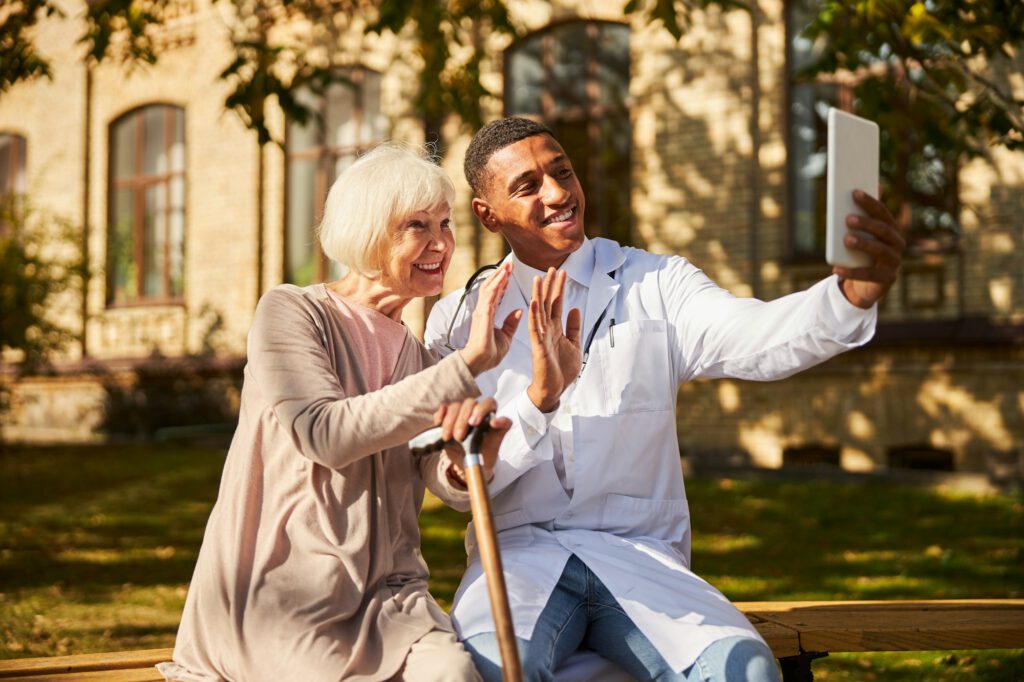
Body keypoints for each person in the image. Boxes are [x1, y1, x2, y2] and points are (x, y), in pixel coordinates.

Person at [424, 117, 906, 682]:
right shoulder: (459, 322)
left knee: (748, 672)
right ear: (488, 214)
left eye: (562, 172)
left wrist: (848, 297)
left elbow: (755, 336)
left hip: (640, 559)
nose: (558, 194)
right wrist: (537, 401)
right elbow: (451, 483)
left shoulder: (655, 282)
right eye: (528, 186)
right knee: (494, 669)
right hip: (516, 563)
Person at [158, 144, 526, 682]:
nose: (441, 243)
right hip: (284, 594)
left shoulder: (418, 358)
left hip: (390, 603)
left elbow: (436, 480)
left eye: (444, 224)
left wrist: (465, 461)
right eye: (416, 226)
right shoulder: (291, 313)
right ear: (369, 232)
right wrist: (466, 364)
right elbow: (324, 433)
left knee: (455, 675)